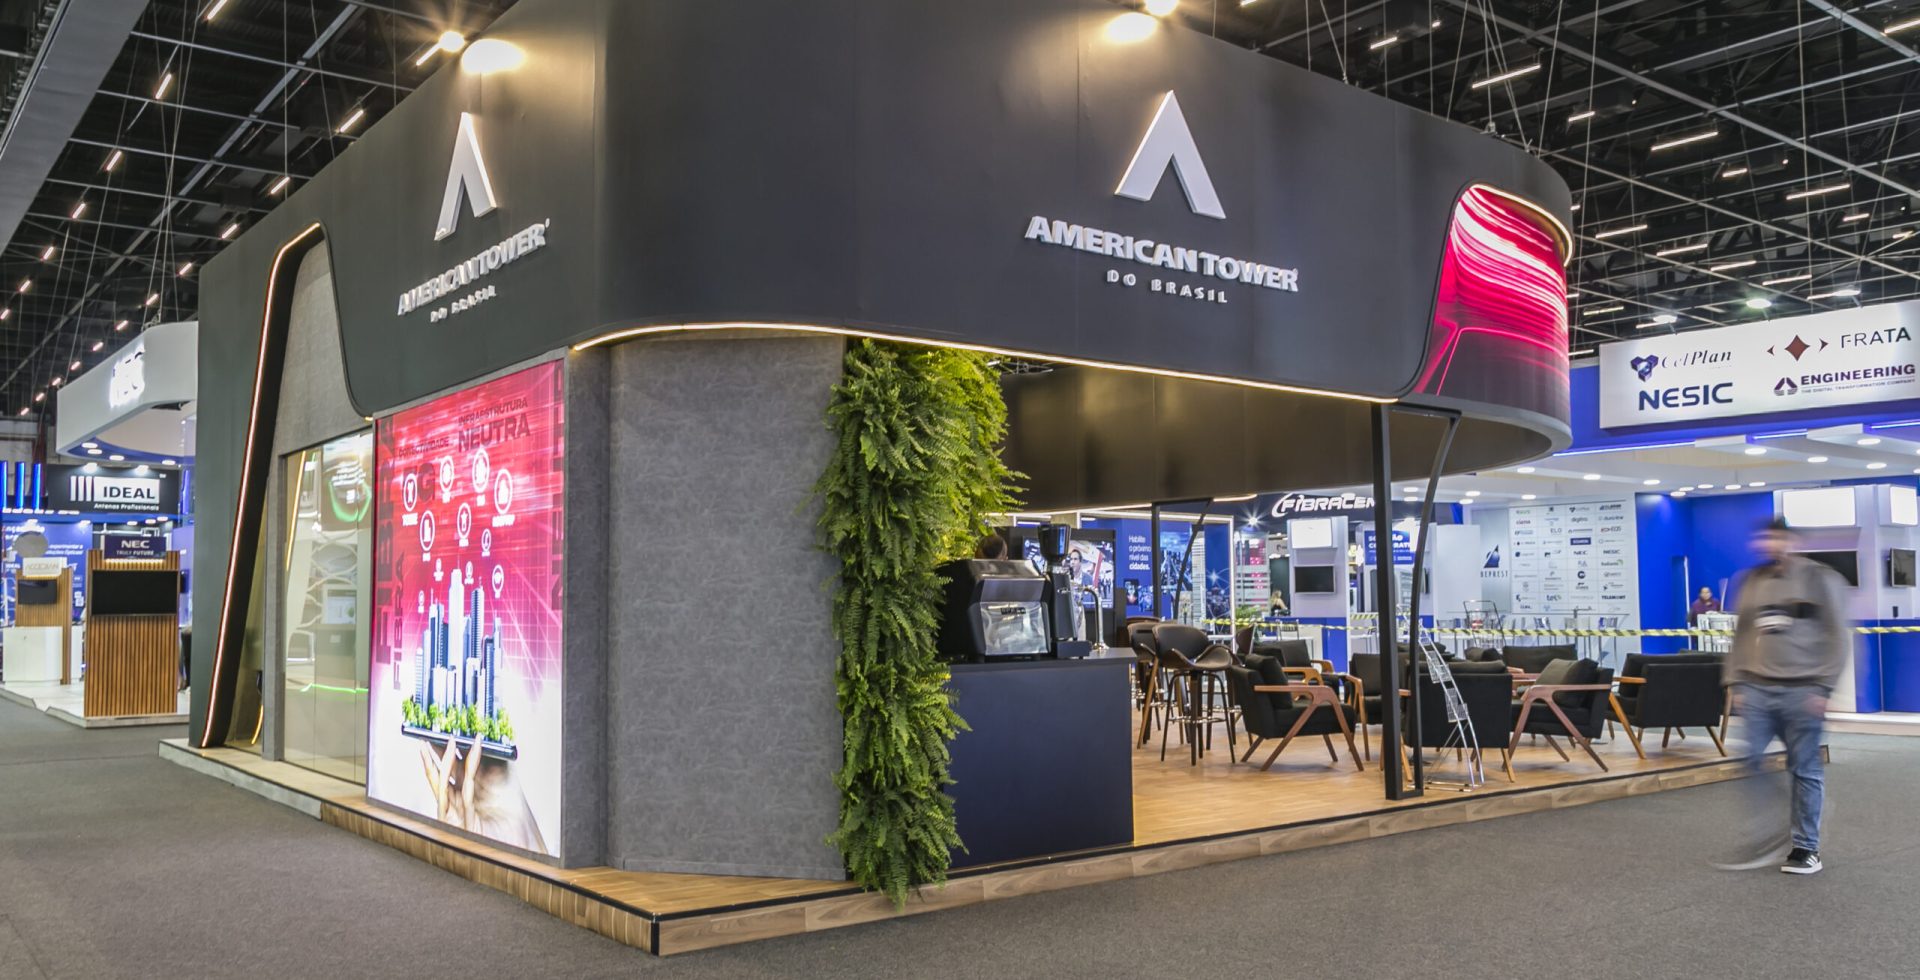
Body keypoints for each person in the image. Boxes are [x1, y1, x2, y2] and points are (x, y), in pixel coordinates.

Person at [1718, 518, 1850, 875]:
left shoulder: (1820, 579)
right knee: (1750, 760)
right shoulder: (1752, 581)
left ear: (1791, 541)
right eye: (1763, 539)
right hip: (1758, 688)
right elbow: (1742, 635)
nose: (1768, 545)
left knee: (1803, 768)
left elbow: (1838, 635)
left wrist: (1825, 687)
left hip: (1804, 690)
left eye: (1775, 538)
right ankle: (1779, 826)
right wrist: (1736, 681)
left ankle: (1806, 846)